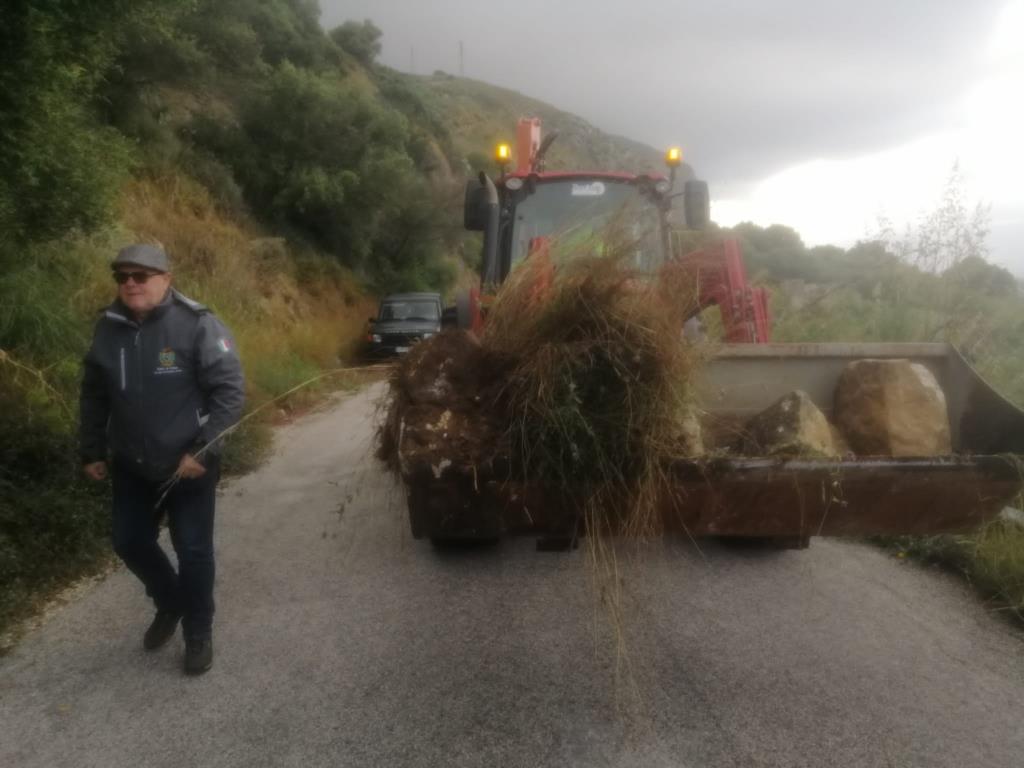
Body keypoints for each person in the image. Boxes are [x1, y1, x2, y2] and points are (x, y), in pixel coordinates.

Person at [79, 243, 244, 675]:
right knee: (128, 541)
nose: (129, 284)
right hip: (132, 465)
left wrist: (203, 450)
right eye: (122, 277)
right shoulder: (108, 326)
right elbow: (94, 394)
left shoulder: (197, 324)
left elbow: (229, 393)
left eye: (140, 275)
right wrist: (92, 448)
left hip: (188, 465)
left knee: (192, 550)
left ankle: (198, 631)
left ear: (166, 279)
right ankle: (170, 602)